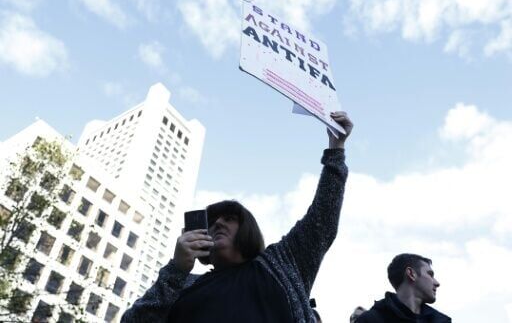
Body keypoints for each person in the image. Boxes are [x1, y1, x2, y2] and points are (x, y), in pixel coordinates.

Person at [121, 112, 353, 322]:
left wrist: (336, 149)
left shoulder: (283, 263)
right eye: (211, 222)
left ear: (247, 229)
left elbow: (322, 219)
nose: (218, 223)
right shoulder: (182, 285)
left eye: (229, 218)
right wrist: (176, 270)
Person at [356, 253, 451, 323]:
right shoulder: (370, 320)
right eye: (430, 274)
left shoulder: (441, 321)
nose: (437, 283)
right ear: (411, 274)